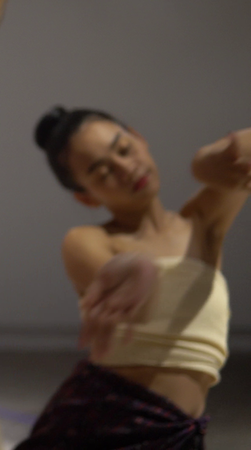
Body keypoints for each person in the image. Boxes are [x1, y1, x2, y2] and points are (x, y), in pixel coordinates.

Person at [15, 106, 251, 449]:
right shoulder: (88, 241)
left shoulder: (203, 225)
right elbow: (116, 284)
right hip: (105, 423)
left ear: (138, 138)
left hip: (180, 431)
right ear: (85, 196)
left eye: (123, 149)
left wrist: (202, 162)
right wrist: (134, 270)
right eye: (102, 172)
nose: (126, 169)